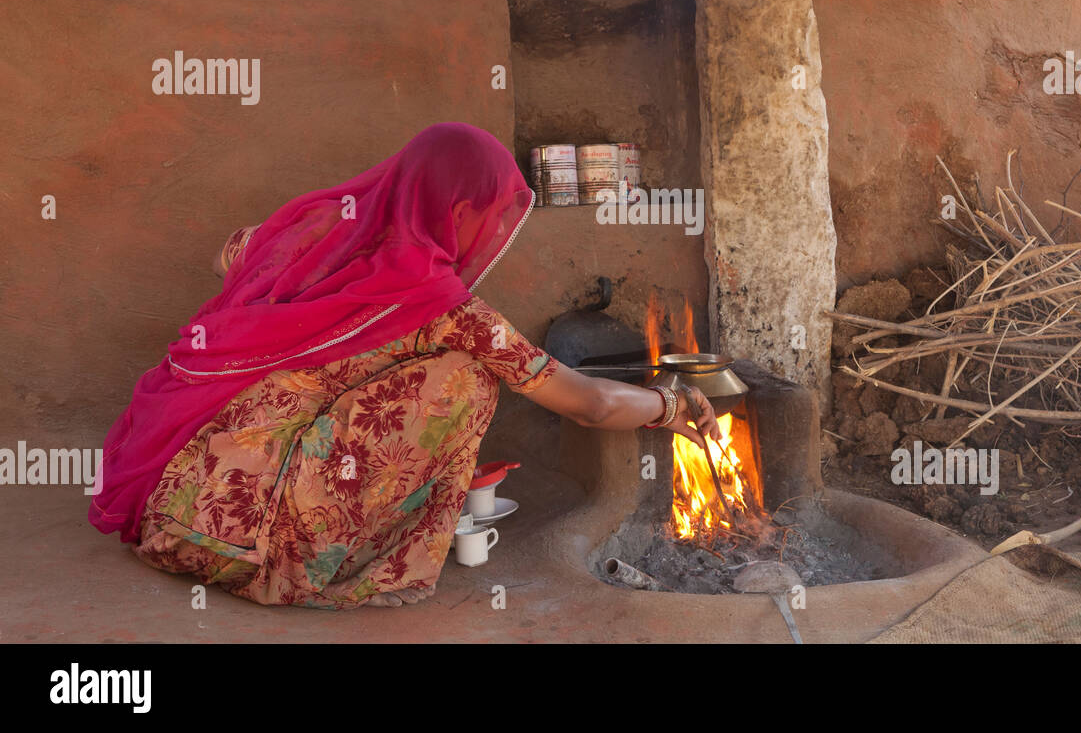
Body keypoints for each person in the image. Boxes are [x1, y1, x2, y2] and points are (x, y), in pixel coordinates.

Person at [89, 122, 718, 609]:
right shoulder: (440, 305)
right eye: (485, 210)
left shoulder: (321, 232)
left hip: (171, 509)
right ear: (457, 207)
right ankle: (317, 559)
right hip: (252, 544)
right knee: (465, 380)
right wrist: (669, 404)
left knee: (375, 375)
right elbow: (594, 403)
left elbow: (234, 251)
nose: (486, 226)